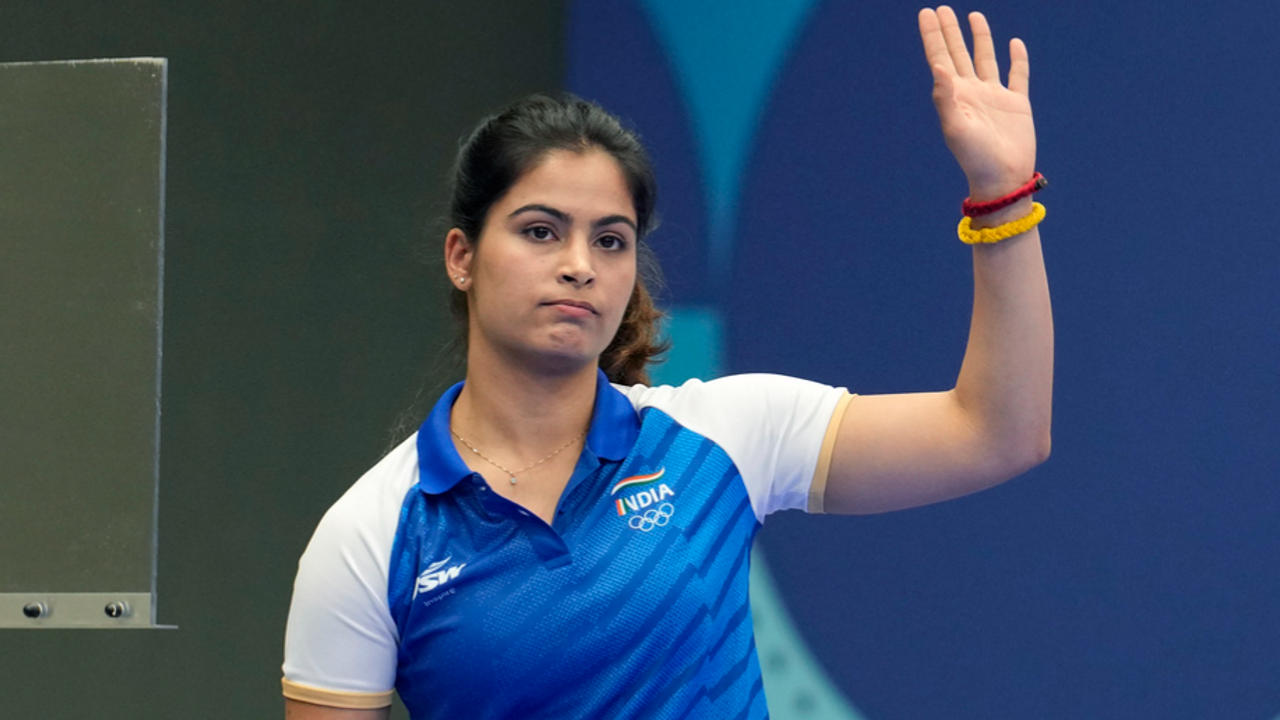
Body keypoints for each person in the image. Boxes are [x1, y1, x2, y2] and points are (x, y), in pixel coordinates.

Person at [281, 6, 1052, 719]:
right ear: (462, 256)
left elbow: (997, 430)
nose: (580, 265)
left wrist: (1001, 194)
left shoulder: (725, 438)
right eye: (541, 231)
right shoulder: (371, 537)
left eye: (610, 239)